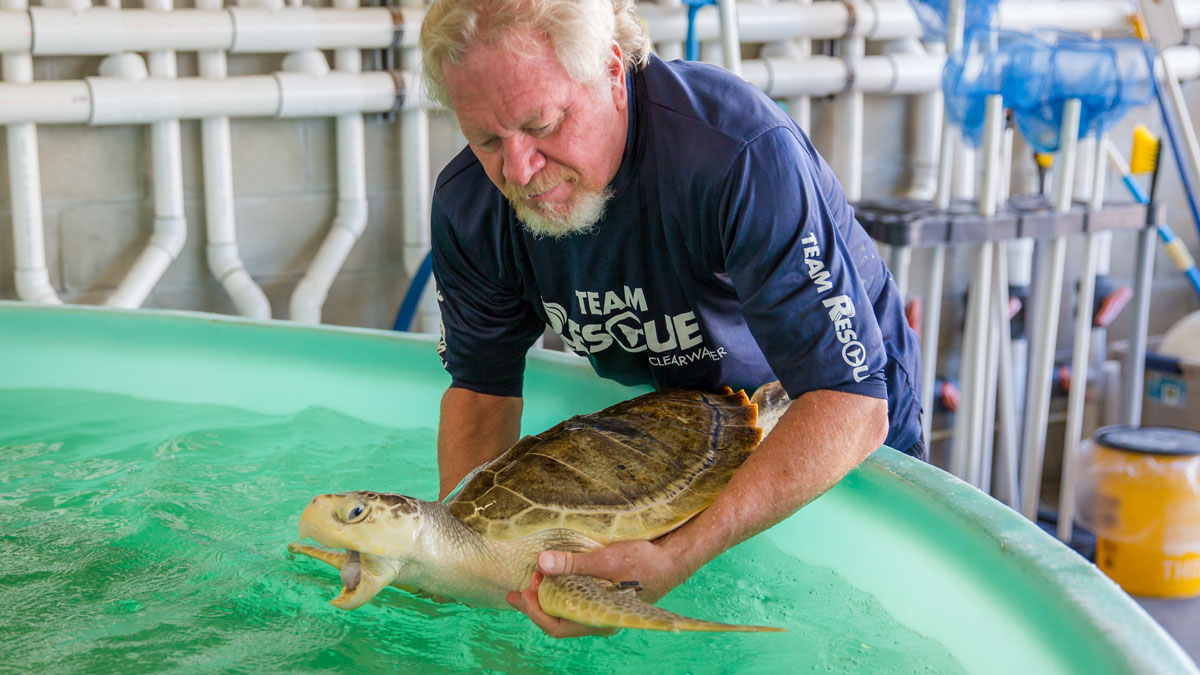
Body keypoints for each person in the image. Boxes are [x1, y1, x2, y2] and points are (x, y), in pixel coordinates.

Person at [418, 0, 922, 637]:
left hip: (829, 401)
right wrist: (464, 567)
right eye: (486, 138)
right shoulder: (471, 202)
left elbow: (850, 402)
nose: (518, 170)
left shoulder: (736, 154)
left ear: (610, 69)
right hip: (688, 417)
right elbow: (481, 390)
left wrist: (674, 558)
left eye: (542, 124)